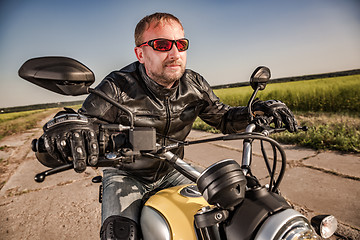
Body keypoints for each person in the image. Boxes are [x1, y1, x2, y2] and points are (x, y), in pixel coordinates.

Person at [39, 12, 297, 240]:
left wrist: (256, 111)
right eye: (162, 45)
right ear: (140, 53)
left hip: (174, 168)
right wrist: (65, 129)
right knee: (120, 233)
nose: (174, 54)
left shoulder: (194, 84)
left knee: (234, 206)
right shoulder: (116, 87)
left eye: (180, 44)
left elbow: (224, 117)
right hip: (128, 173)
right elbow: (82, 124)